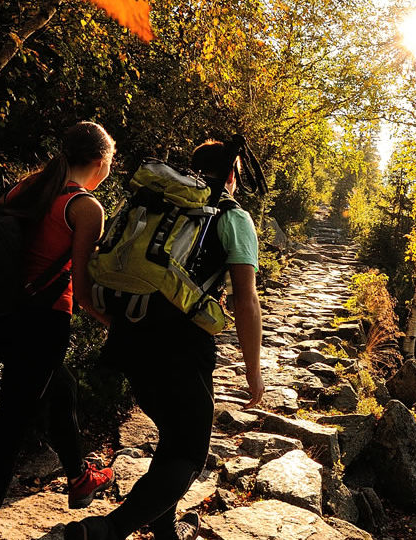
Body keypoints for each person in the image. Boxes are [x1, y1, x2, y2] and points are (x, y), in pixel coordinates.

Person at [63, 139, 265, 540]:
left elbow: (90, 283)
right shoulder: (230, 215)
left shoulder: (151, 204)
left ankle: (163, 526)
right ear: (230, 174)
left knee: (172, 436)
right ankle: (106, 529)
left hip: (129, 336)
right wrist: (254, 372)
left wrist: (124, 324)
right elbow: (245, 298)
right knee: (190, 452)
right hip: (182, 345)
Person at [0, 121, 117, 540]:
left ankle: (79, 477)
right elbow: (82, 292)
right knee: (7, 437)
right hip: (41, 326)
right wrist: (120, 326)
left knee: (61, 386)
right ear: (101, 162)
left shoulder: (26, 187)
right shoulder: (84, 208)